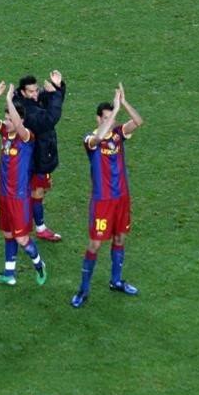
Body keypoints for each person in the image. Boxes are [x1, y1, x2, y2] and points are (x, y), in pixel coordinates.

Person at [71, 84, 145, 309]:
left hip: (121, 196)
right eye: (105, 118)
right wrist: (113, 114)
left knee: (120, 239)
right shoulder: (90, 139)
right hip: (102, 200)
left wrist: (123, 104)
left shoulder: (119, 134)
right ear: (97, 119)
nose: (110, 121)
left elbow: (138, 122)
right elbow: (100, 136)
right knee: (95, 244)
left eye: (111, 118)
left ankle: (116, 281)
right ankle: (83, 290)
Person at [0, 81, 46, 286]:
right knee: (7, 233)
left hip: (19, 196)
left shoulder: (27, 137)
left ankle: (39, 264)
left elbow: (18, 126)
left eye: (10, 118)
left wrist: (10, 100)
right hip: (4, 193)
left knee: (22, 239)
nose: (7, 122)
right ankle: (9, 274)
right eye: (6, 118)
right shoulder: (4, 134)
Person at [14, 71, 66, 241]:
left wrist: (57, 87)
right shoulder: (28, 111)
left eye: (36, 90)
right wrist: (55, 93)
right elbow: (51, 117)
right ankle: (39, 228)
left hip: (37, 157)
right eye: (31, 91)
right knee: (37, 192)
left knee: (36, 192)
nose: (36, 94)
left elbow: (52, 102)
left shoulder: (30, 102)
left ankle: (28, 222)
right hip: (36, 160)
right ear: (23, 92)